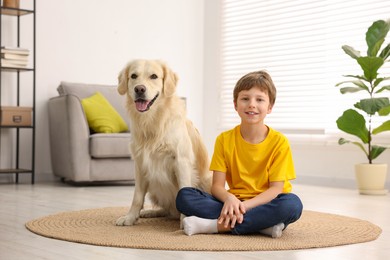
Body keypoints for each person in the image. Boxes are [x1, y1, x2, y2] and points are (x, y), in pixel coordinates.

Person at [175, 70, 303, 237]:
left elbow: (276, 190)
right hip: (233, 201)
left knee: (292, 205)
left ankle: (214, 225)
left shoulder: (280, 142)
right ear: (235, 104)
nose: (251, 104)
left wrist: (245, 206)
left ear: (269, 107)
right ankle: (262, 226)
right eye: (245, 98)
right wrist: (230, 199)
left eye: (259, 100)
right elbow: (217, 187)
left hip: (266, 202)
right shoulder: (224, 139)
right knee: (184, 196)